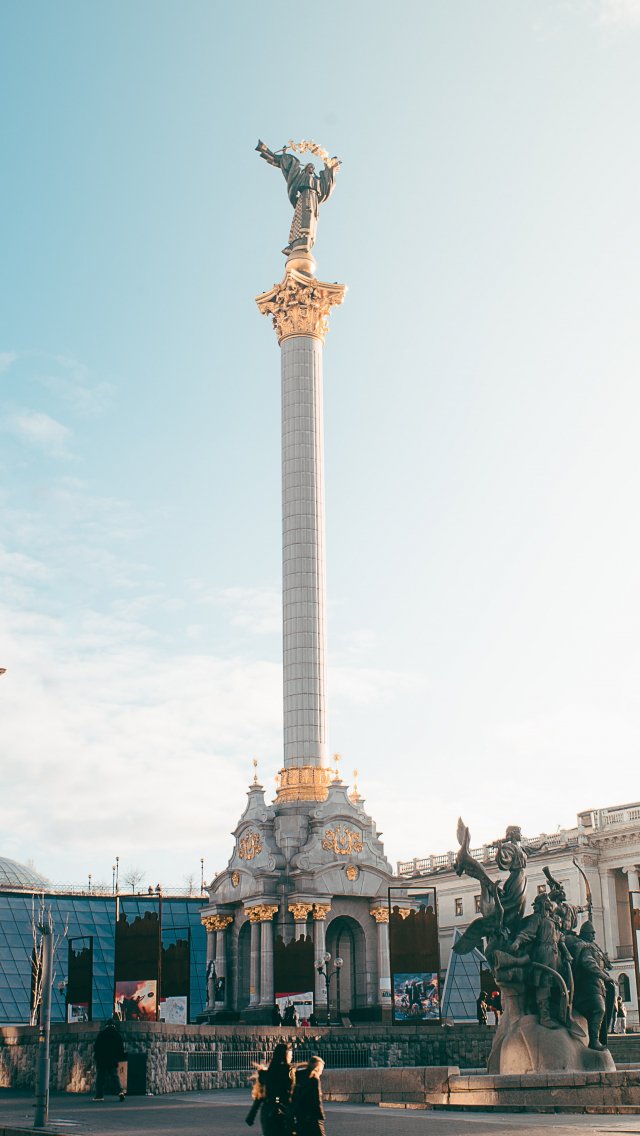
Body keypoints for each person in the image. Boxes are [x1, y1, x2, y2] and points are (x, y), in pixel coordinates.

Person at [247, 1041, 295, 1135]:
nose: (292, 1056)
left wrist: (251, 1115)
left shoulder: (267, 1073)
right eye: (290, 1054)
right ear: (286, 1055)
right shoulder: (288, 1071)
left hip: (267, 1111)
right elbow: (288, 1093)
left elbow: (260, 1096)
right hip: (282, 1111)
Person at [93, 1018, 126, 1101]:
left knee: (100, 1078)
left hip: (102, 1059)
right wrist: (119, 1057)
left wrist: (97, 1057)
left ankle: (99, 1096)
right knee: (114, 1076)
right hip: (112, 1059)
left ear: (106, 1025)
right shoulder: (117, 1035)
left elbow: (96, 1047)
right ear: (114, 1025)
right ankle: (120, 1092)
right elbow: (121, 1049)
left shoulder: (102, 1034)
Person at [293, 1055, 326, 1136]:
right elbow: (317, 1100)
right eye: (321, 1069)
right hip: (313, 1117)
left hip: (300, 1115)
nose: (321, 1072)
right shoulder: (314, 1078)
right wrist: (321, 1116)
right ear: (317, 1067)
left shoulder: (297, 1075)